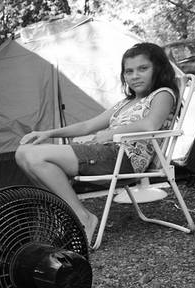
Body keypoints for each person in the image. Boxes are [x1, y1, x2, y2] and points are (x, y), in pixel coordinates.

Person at [14, 42, 178, 243]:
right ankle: (71, 217)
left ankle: (84, 218)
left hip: (124, 159)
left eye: (143, 68)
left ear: (158, 68)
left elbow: (150, 124)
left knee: (32, 155)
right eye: (129, 71)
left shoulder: (162, 94)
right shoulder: (125, 103)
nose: (135, 76)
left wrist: (111, 133)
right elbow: (86, 126)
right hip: (106, 153)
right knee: (24, 153)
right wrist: (47, 133)